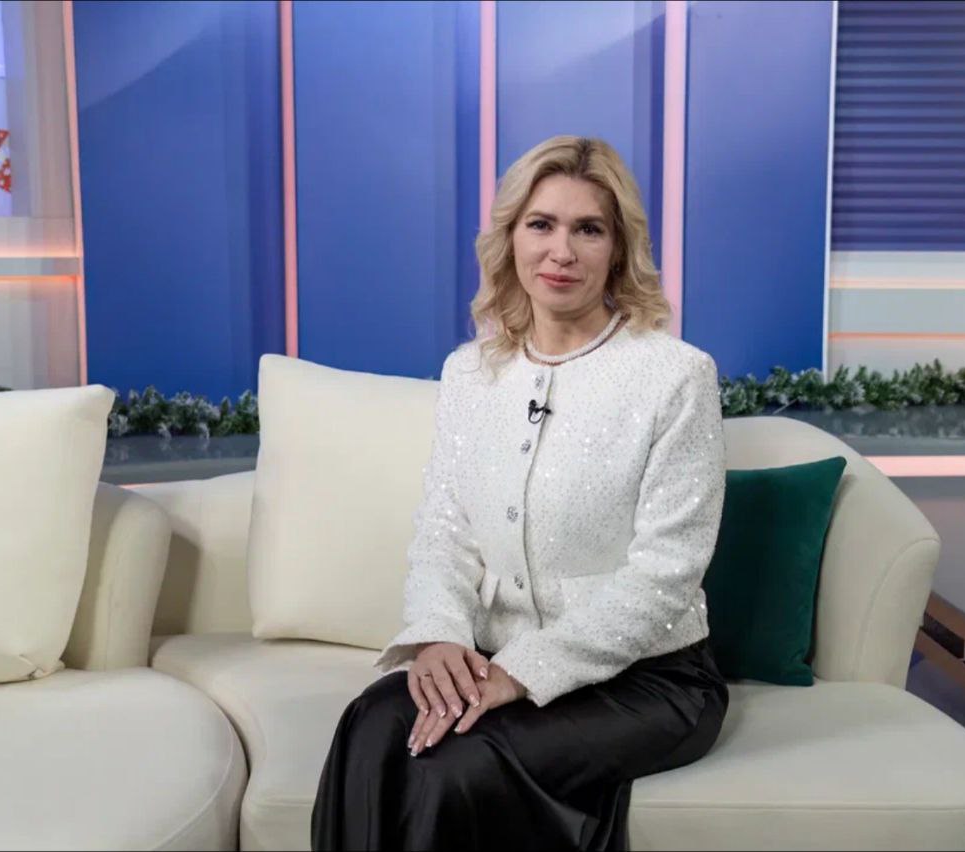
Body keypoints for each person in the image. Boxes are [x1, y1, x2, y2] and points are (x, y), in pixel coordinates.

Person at [311, 135, 729, 851]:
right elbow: (445, 529)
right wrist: (440, 635)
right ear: (511, 238)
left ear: (618, 250)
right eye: (541, 224)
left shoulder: (675, 376)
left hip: (649, 680)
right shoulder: (471, 372)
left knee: (454, 768)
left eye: (588, 229)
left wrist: (521, 672)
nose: (560, 251)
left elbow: (667, 575)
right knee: (373, 725)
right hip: (490, 655)